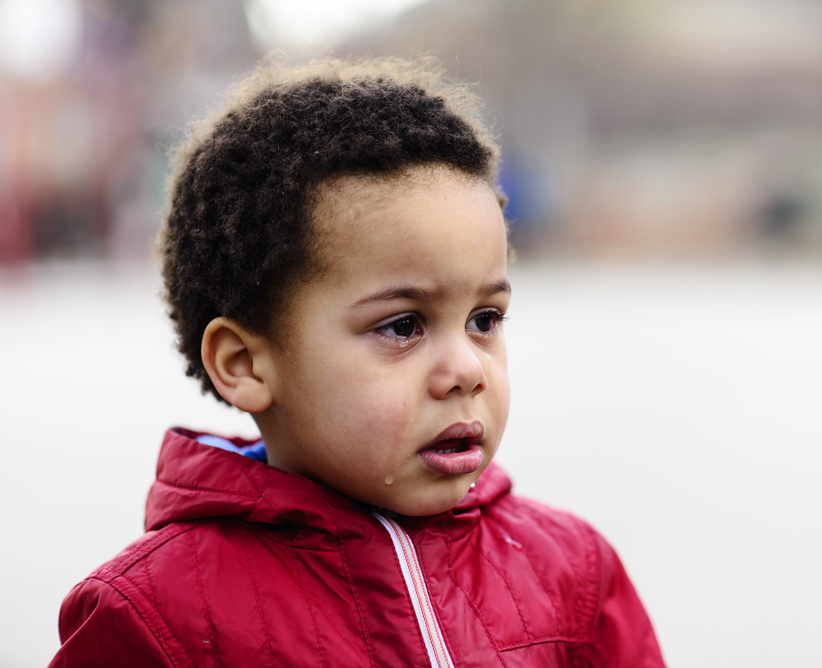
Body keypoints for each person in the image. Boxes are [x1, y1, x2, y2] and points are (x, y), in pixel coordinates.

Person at [48, 56, 666, 667]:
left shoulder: (574, 574)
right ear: (245, 364)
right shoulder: (153, 618)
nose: (468, 371)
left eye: (485, 320)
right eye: (403, 326)